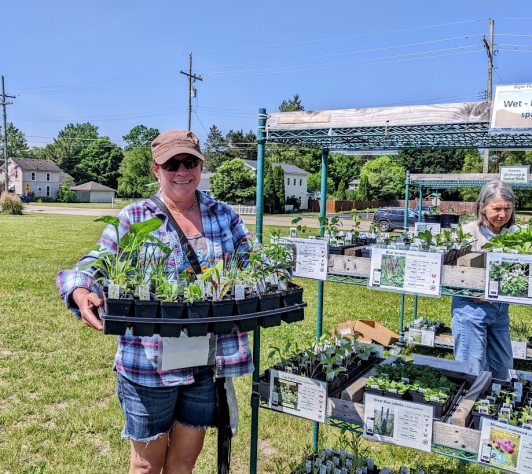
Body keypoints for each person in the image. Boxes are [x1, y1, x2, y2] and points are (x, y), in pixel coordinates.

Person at [56, 129, 254, 474]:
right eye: (171, 163)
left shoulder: (224, 215)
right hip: (148, 363)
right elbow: (96, 260)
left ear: (201, 165)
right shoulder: (135, 217)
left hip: (207, 362)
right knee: (146, 467)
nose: (181, 171)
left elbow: (256, 262)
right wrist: (80, 289)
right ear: (155, 169)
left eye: (189, 161)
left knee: (183, 462)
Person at [451, 180, 517, 381]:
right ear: (482, 207)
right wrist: (472, 292)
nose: (502, 215)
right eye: (496, 209)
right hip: (471, 309)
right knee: (472, 369)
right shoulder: (468, 232)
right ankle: (465, 408)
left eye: (507, 209)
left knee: (503, 367)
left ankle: (492, 408)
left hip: (500, 309)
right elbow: (450, 273)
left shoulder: (513, 234)